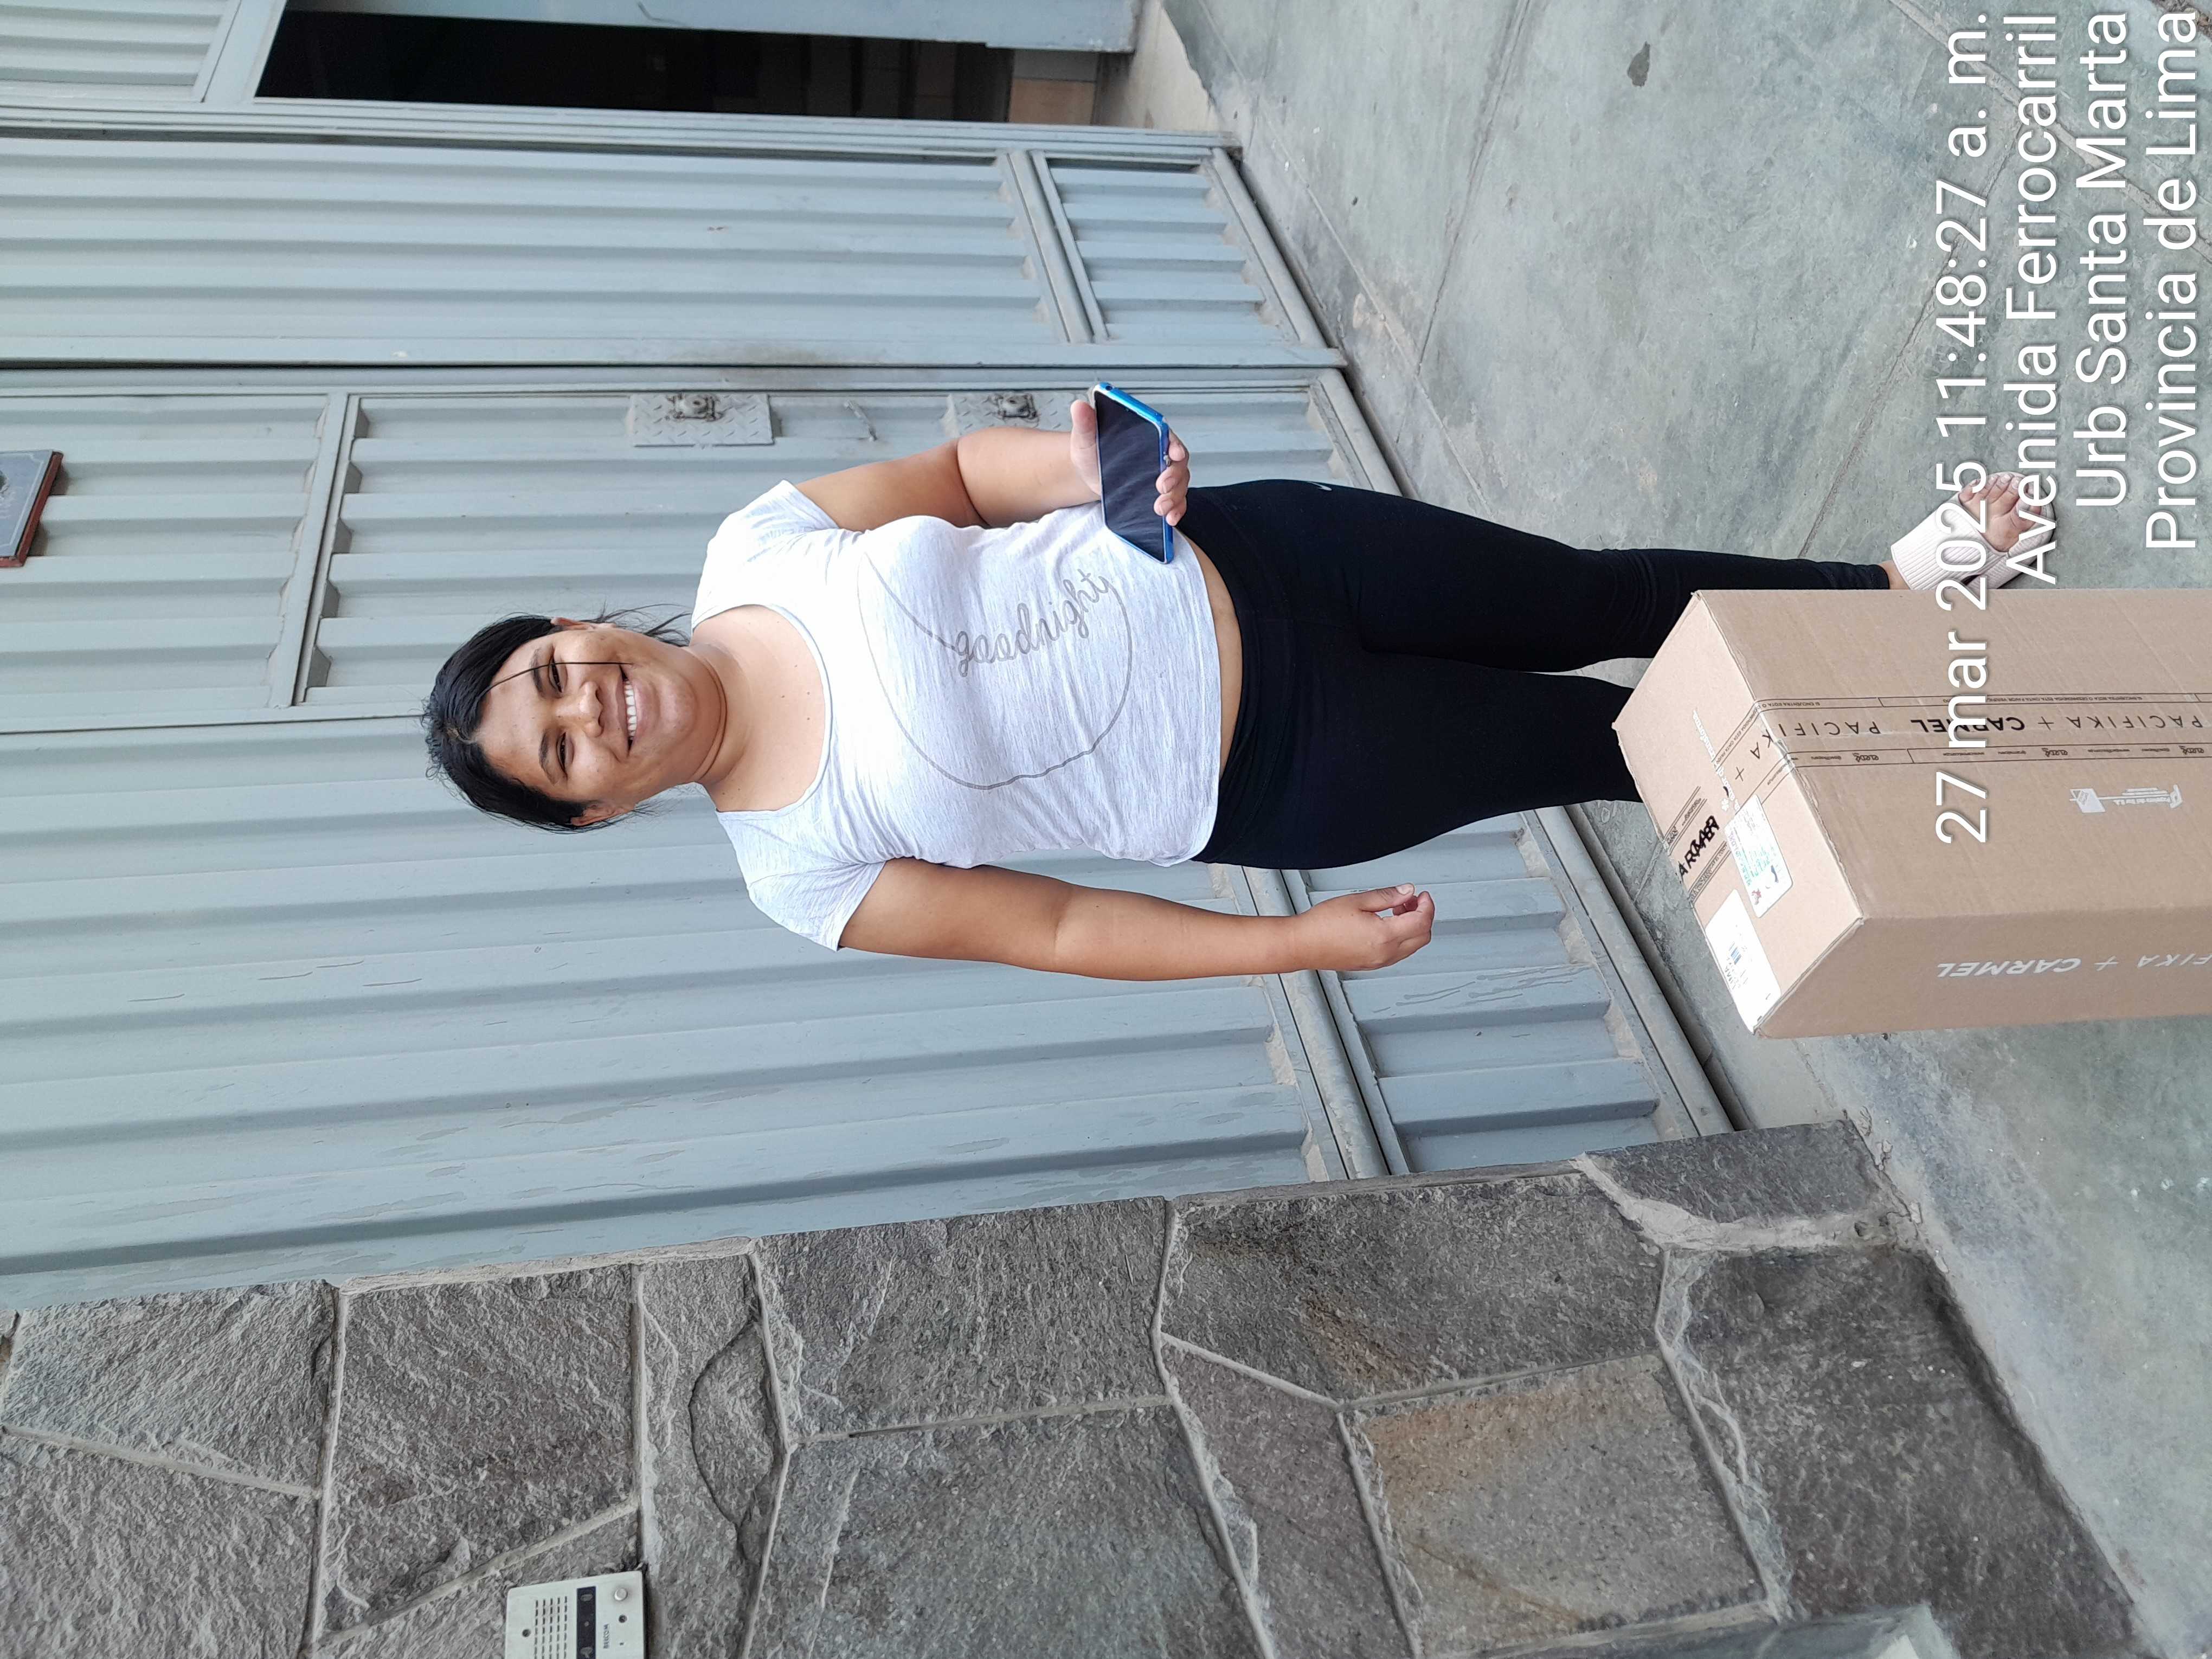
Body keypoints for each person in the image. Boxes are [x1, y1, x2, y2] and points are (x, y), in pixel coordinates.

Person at [423, 399, 2048, 981]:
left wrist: (1091, 467)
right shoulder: (797, 873)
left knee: (1597, 594)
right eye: (560, 752)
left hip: (1267, 558)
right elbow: (1057, 926)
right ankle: (1978, 770)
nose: (590, 707)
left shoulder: (758, 544)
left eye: (553, 673)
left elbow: (960, 477)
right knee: (1634, 743)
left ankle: (1890, 596)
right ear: (598, 810)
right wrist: (1292, 944)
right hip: (1288, 768)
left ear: (575, 625)